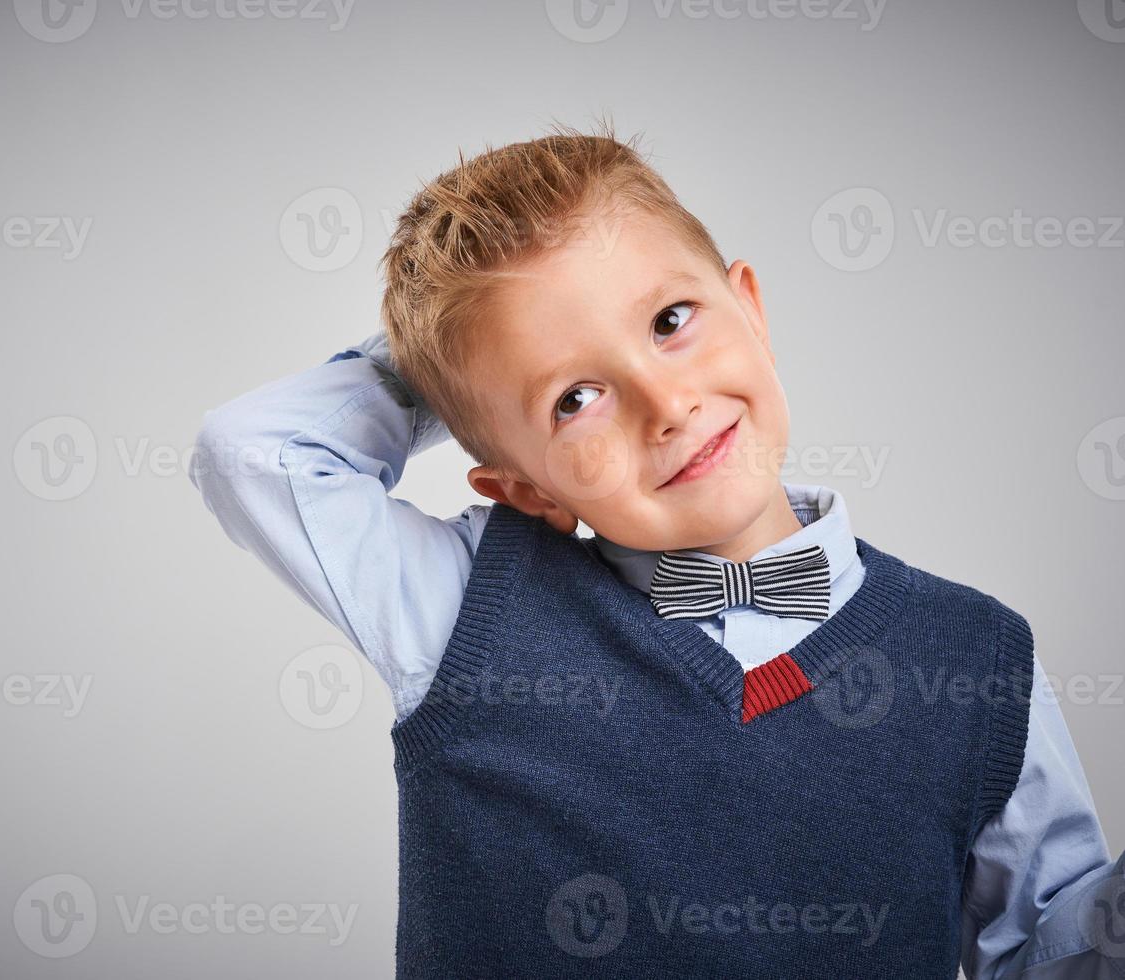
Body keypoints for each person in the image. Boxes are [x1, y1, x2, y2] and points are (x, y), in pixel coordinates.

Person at [189, 121, 1124, 978]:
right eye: (575, 398)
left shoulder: (979, 657)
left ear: (749, 309)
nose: (665, 404)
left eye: (672, 320)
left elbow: (1050, 945)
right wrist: (456, 353)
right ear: (523, 488)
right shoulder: (466, 608)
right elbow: (253, 453)